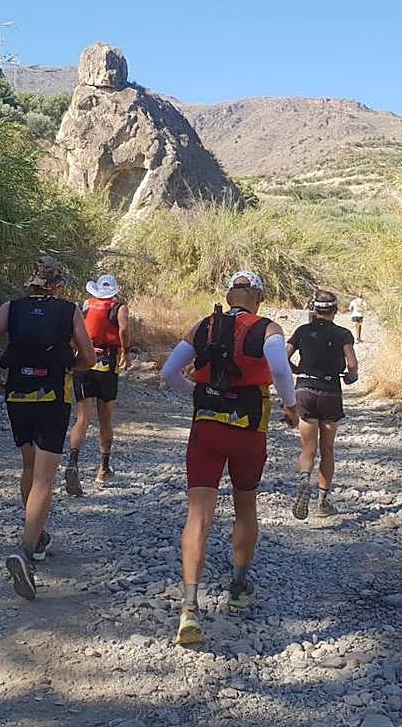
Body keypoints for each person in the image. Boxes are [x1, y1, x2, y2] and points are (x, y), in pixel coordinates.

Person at [160, 271, 299, 645]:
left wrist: (199, 392)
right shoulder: (268, 328)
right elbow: (281, 369)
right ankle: (238, 586)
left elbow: (168, 373)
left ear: (227, 294)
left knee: (198, 515)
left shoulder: (204, 326)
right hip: (249, 431)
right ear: (259, 297)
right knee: (245, 507)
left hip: (206, 427)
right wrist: (290, 406)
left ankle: (189, 608)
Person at [0, 256, 96, 601]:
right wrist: (68, 366)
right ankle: (25, 552)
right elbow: (88, 356)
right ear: (57, 285)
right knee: (45, 477)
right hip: (52, 396)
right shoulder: (68, 310)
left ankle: (37, 536)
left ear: (32, 282)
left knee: (29, 467)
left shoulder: (10, 308)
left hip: (17, 395)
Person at [285, 290, 358, 520]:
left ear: (313, 310)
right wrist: (350, 377)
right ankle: (322, 502)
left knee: (308, 447)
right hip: (330, 392)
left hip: (305, 390)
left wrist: (296, 369)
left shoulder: (302, 332)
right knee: (327, 449)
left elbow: (282, 357)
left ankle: (304, 479)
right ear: (335, 311)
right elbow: (352, 363)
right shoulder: (343, 334)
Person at [65, 273, 130, 495]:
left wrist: (77, 351)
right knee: (106, 418)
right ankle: (103, 468)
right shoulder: (119, 307)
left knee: (82, 418)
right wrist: (125, 352)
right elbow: (123, 329)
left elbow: (73, 334)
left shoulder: (84, 306)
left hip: (84, 362)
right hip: (107, 364)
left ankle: (73, 461)